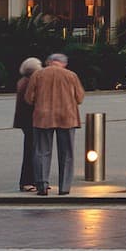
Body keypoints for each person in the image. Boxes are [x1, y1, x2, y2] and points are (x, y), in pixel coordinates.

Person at [22, 51, 84, 197]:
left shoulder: (38, 75)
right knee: (66, 154)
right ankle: (64, 187)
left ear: (49, 62)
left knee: (42, 152)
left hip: (43, 118)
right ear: (63, 63)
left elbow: (29, 98)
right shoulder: (71, 75)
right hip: (67, 118)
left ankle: (42, 186)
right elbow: (80, 98)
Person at [12, 56, 41, 193]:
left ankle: (33, 180)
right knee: (31, 151)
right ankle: (27, 181)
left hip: (25, 120)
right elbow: (31, 100)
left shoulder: (23, 81)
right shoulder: (29, 82)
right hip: (30, 120)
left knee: (32, 150)